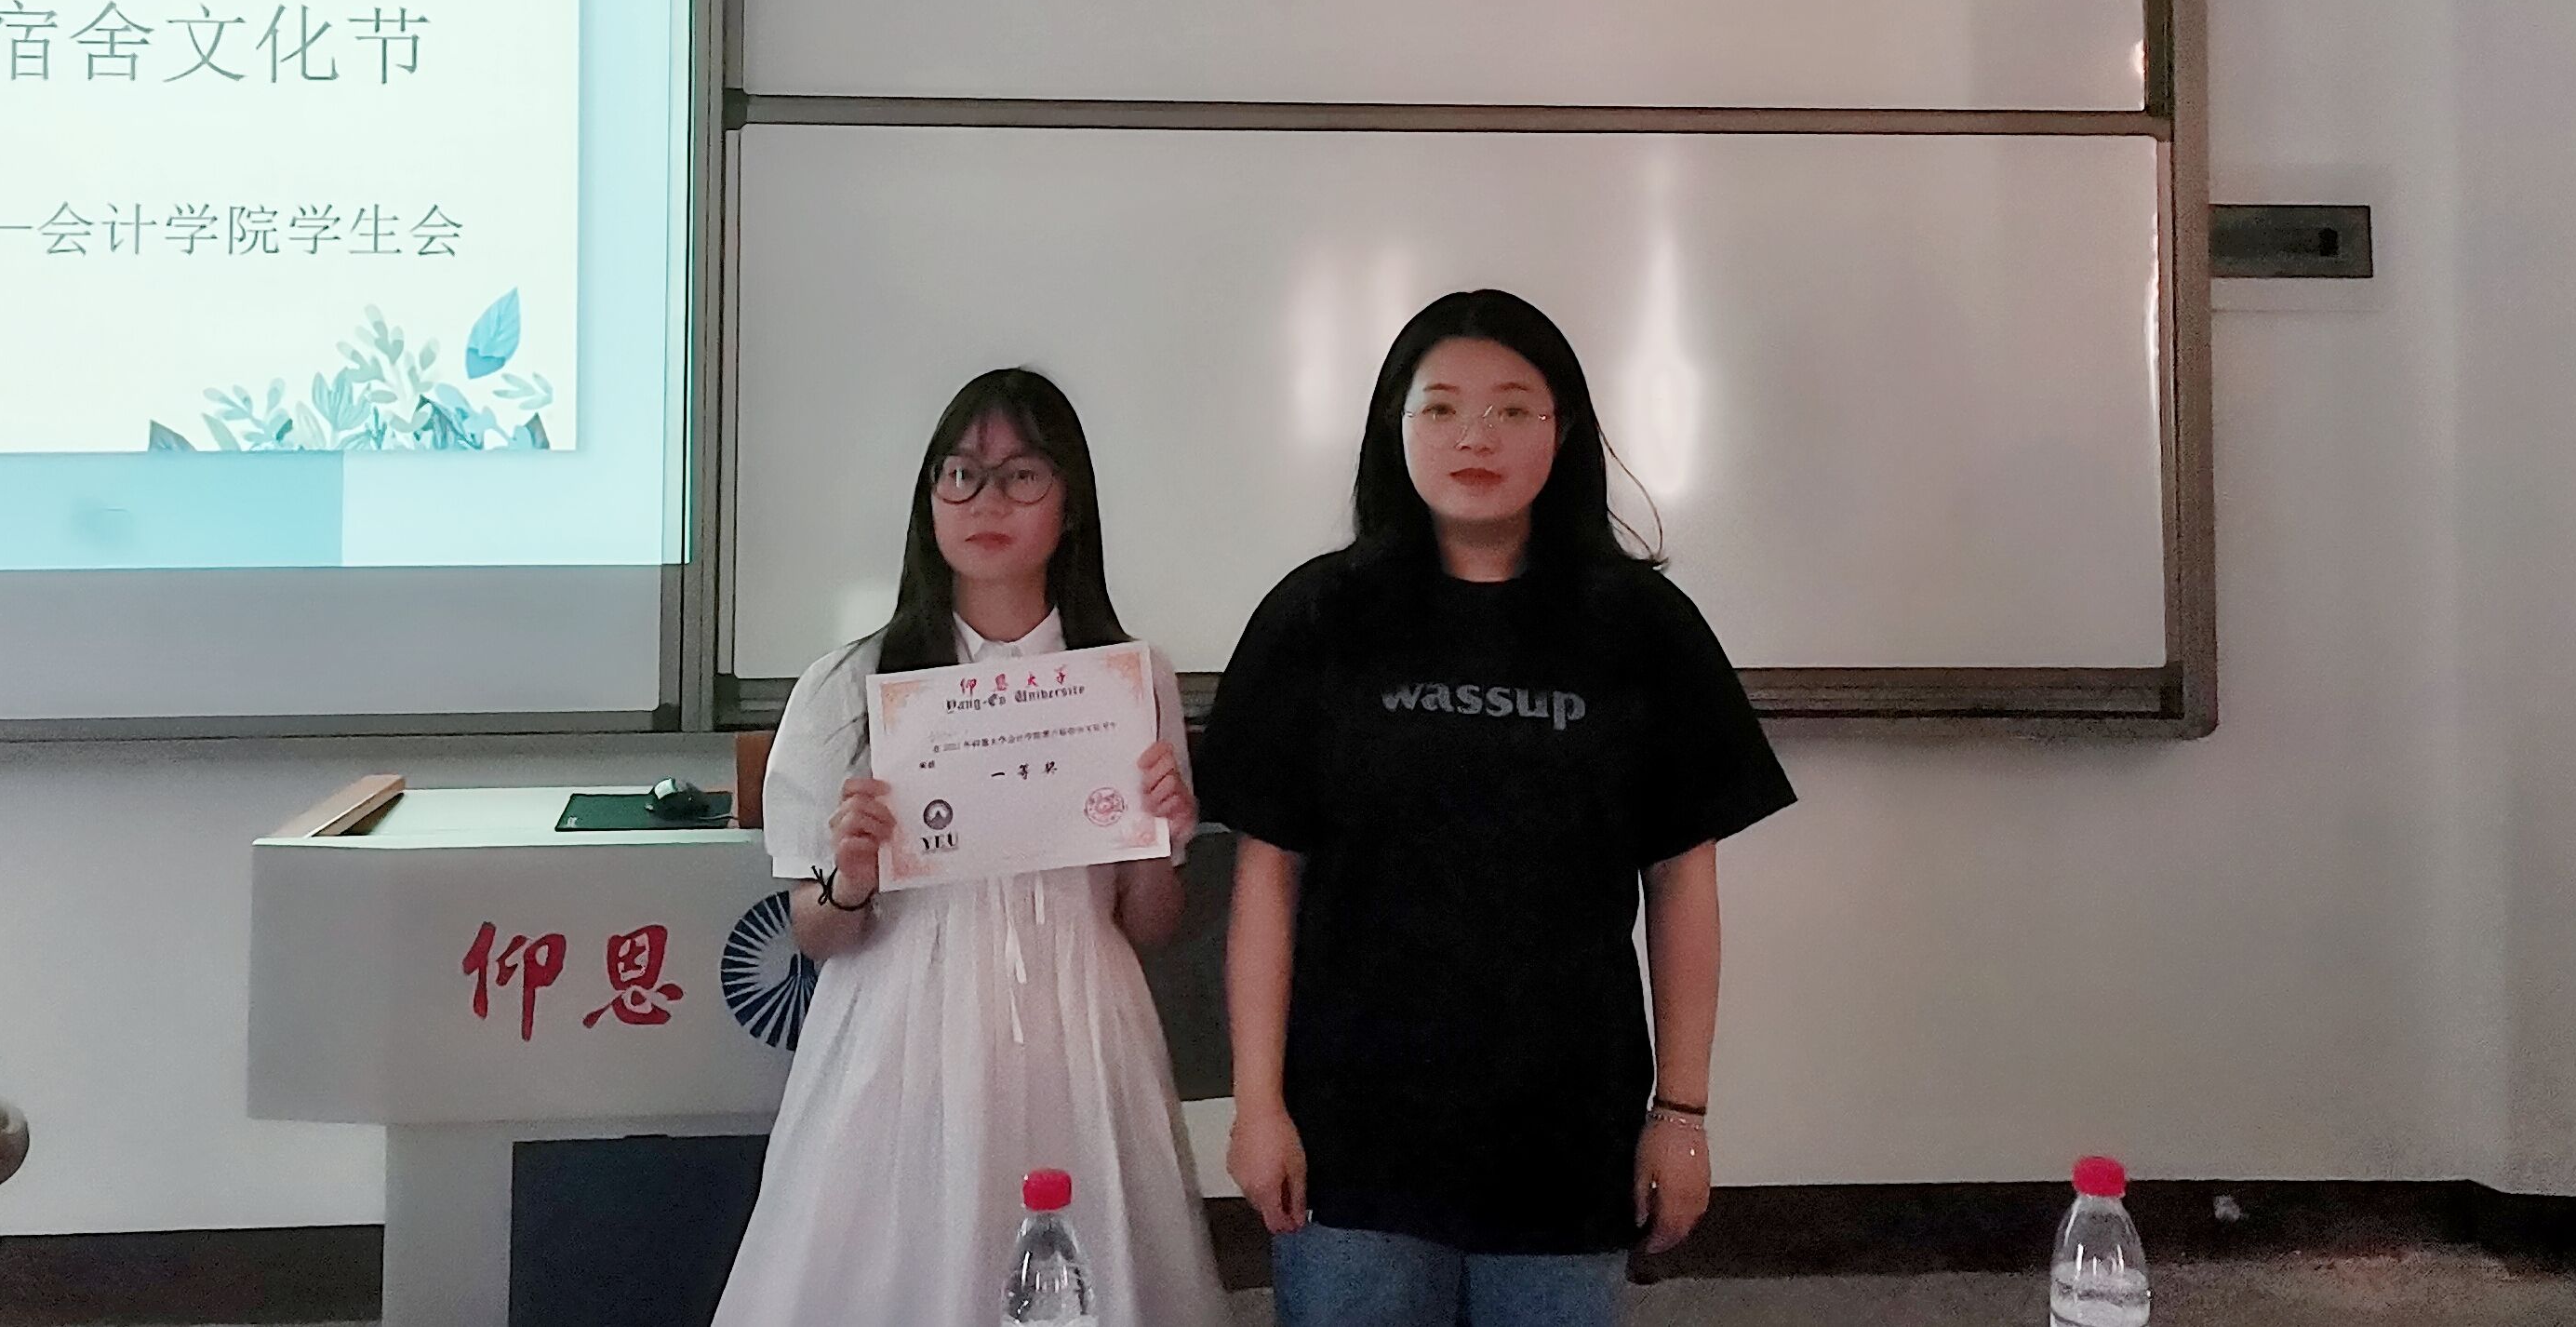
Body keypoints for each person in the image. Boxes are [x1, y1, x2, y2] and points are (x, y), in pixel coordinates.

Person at [1201, 289, 1795, 1327]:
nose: (1474, 435)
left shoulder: (1642, 626)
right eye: (1439, 407)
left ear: (1562, 431)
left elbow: (1681, 880)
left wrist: (1681, 1112)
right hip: (1352, 1125)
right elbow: (1264, 878)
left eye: (1513, 407)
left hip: (1565, 1122)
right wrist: (1257, 1103)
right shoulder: (1317, 616)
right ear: (1394, 429)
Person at [714, 368, 1233, 1327]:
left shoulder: (1125, 678)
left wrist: (1160, 834)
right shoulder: (847, 687)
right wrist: (852, 876)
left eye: (1021, 474)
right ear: (930, 499)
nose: (986, 501)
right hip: (901, 1034)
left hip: (1081, 1027)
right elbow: (816, 932)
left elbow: (1149, 922)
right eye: (961, 474)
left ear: (1069, 502)